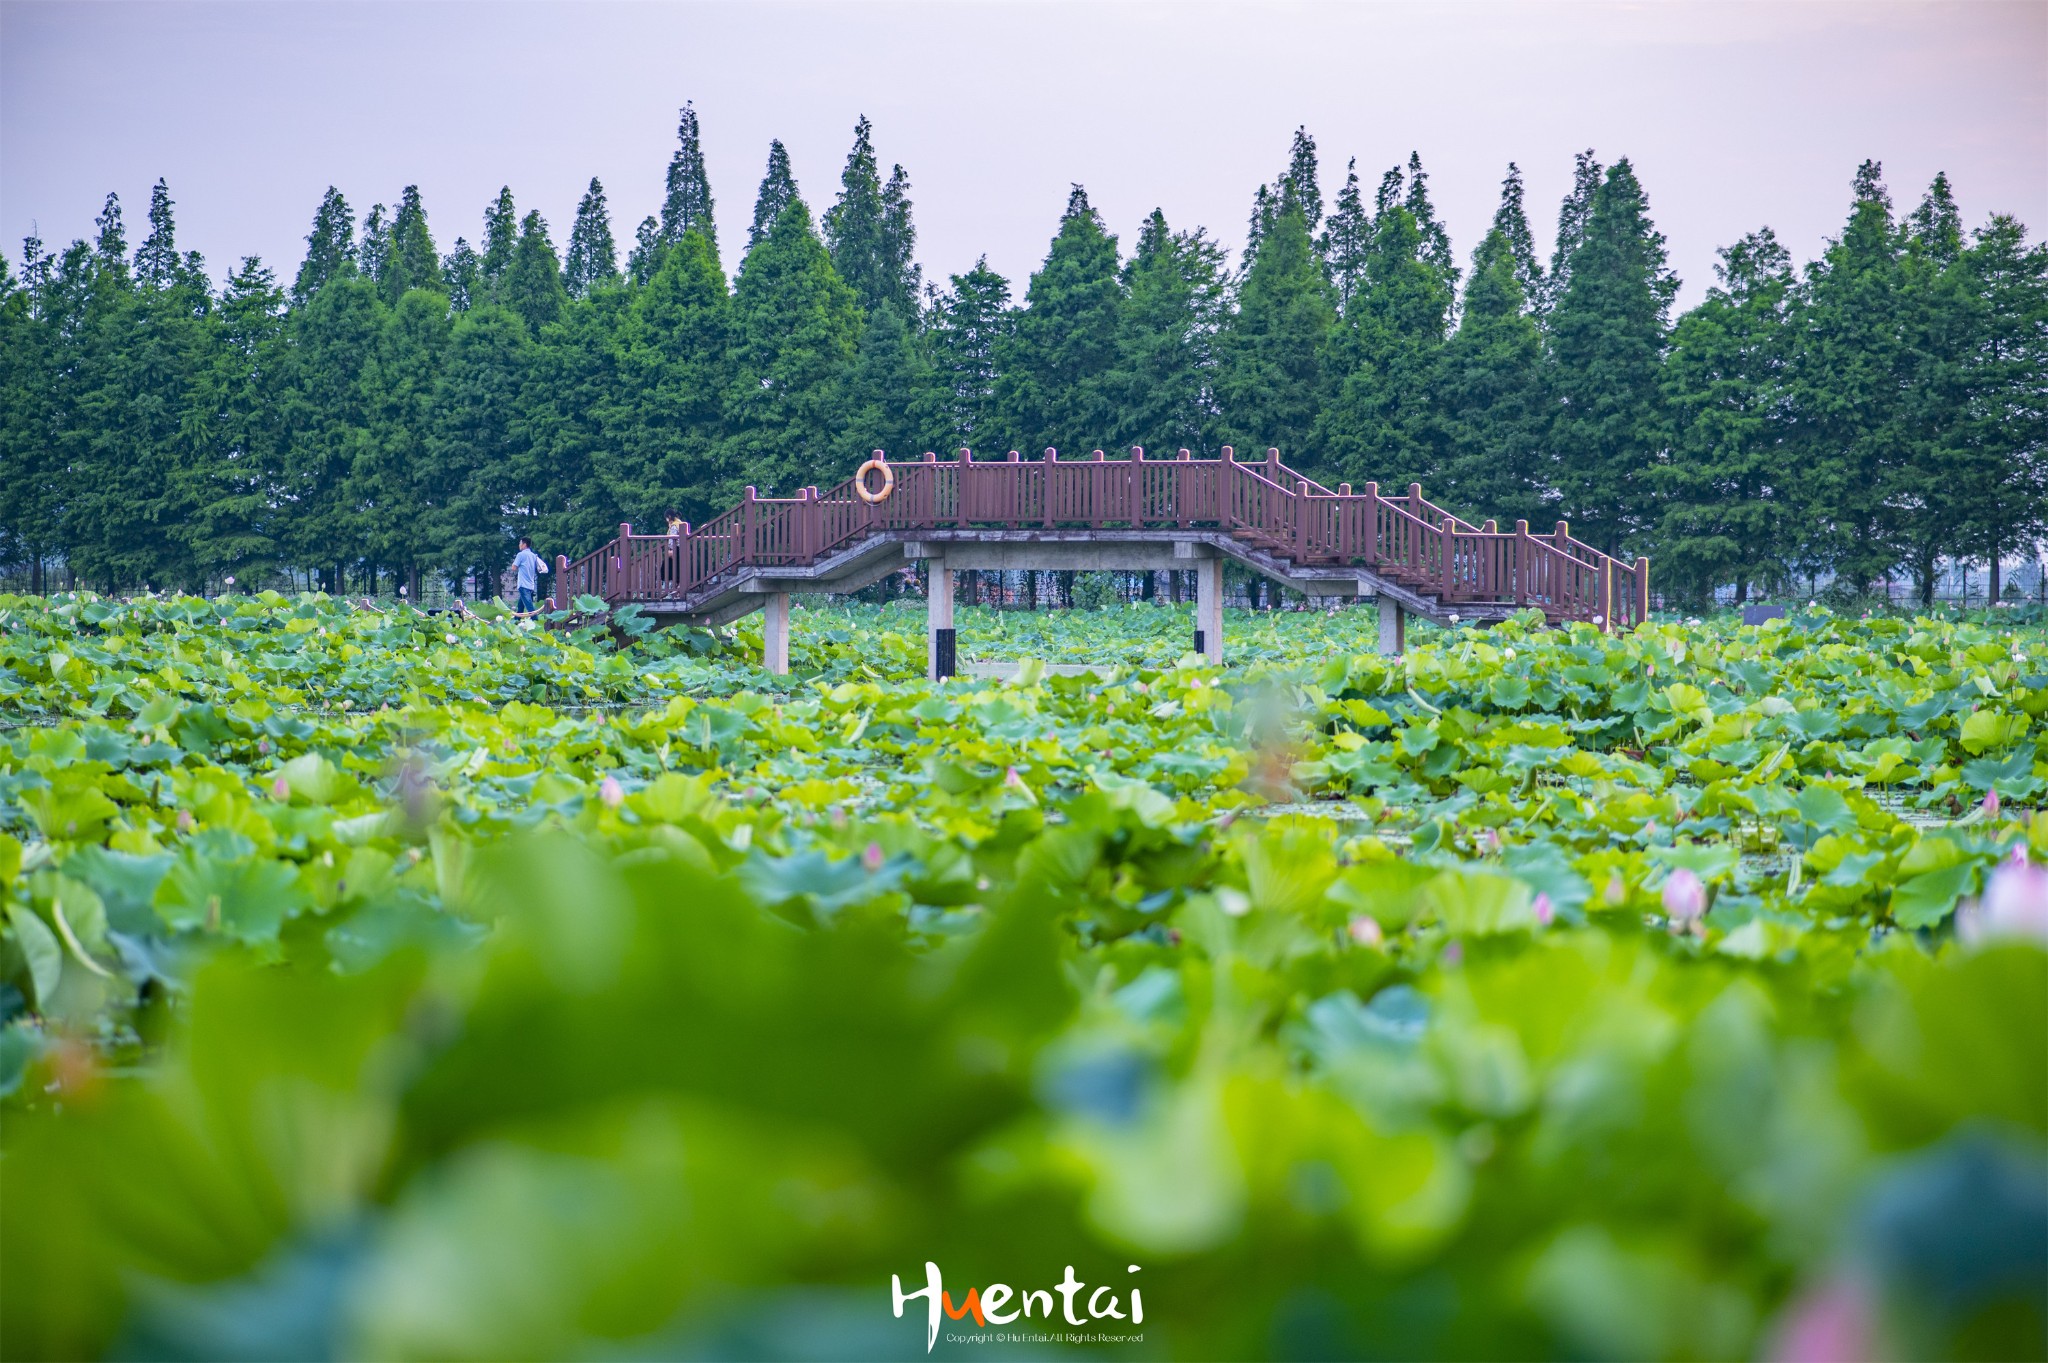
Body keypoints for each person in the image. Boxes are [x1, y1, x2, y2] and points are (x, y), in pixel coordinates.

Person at [511, 536, 548, 614]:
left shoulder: (520, 555)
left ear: (524, 544)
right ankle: (516, 621)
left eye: (520, 543)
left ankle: (536, 620)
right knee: (520, 607)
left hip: (523, 584)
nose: (519, 545)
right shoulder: (533, 556)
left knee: (529, 607)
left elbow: (514, 567)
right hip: (530, 584)